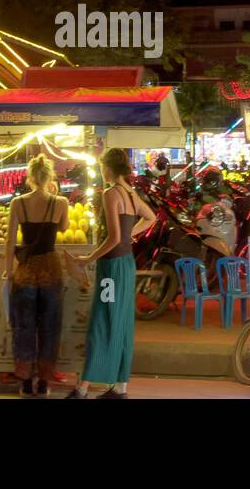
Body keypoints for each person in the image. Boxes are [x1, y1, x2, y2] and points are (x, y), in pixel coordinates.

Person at [65, 148, 156, 399]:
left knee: (101, 322)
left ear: (107, 168)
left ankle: (83, 388)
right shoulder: (130, 193)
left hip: (110, 270)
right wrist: (131, 235)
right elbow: (150, 218)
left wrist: (87, 259)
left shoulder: (110, 194)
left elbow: (114, 237)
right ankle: (119, 388)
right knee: (123, 324)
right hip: (126, 266)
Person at [3, 154, 69, 397]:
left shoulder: (18, 203)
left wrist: (8, 268)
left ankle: (25, 380)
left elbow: (10, 239)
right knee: (50, 326)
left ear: (29, 177)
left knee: (24, 325)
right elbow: (63, 228)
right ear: (50, 177)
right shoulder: (61, 202)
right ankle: (44, 382)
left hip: (27, 269)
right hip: (51, 268)